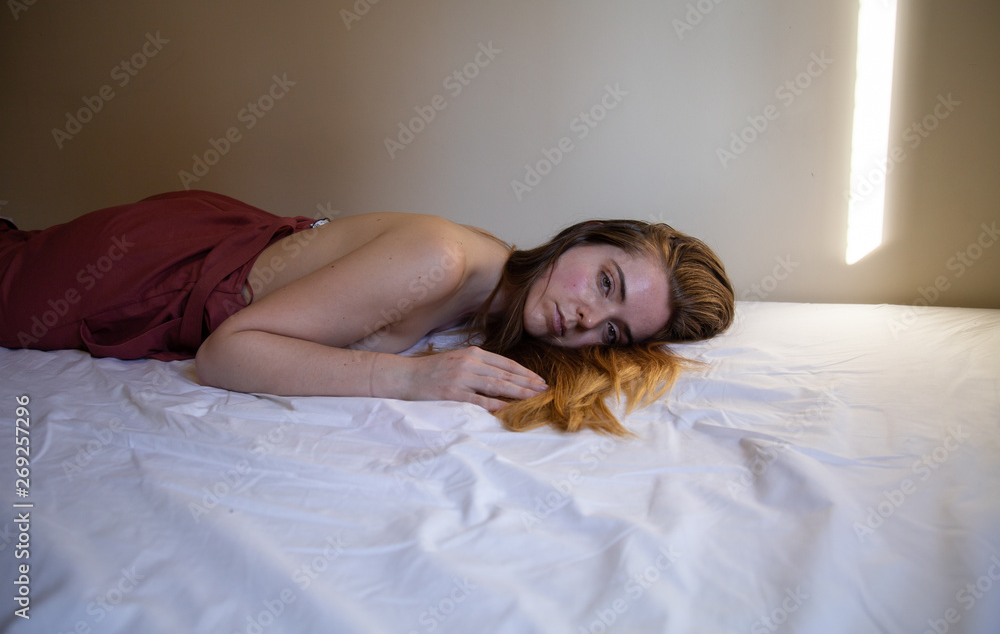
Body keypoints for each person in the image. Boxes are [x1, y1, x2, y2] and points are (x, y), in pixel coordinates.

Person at [0, 190, 734, 435]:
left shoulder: (499, 289)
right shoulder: (446, 259)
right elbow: (225, 354)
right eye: (604, 282)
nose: (584, 319)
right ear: (584, 239)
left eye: (613, 329)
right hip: (157, 266)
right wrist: (412, 380)